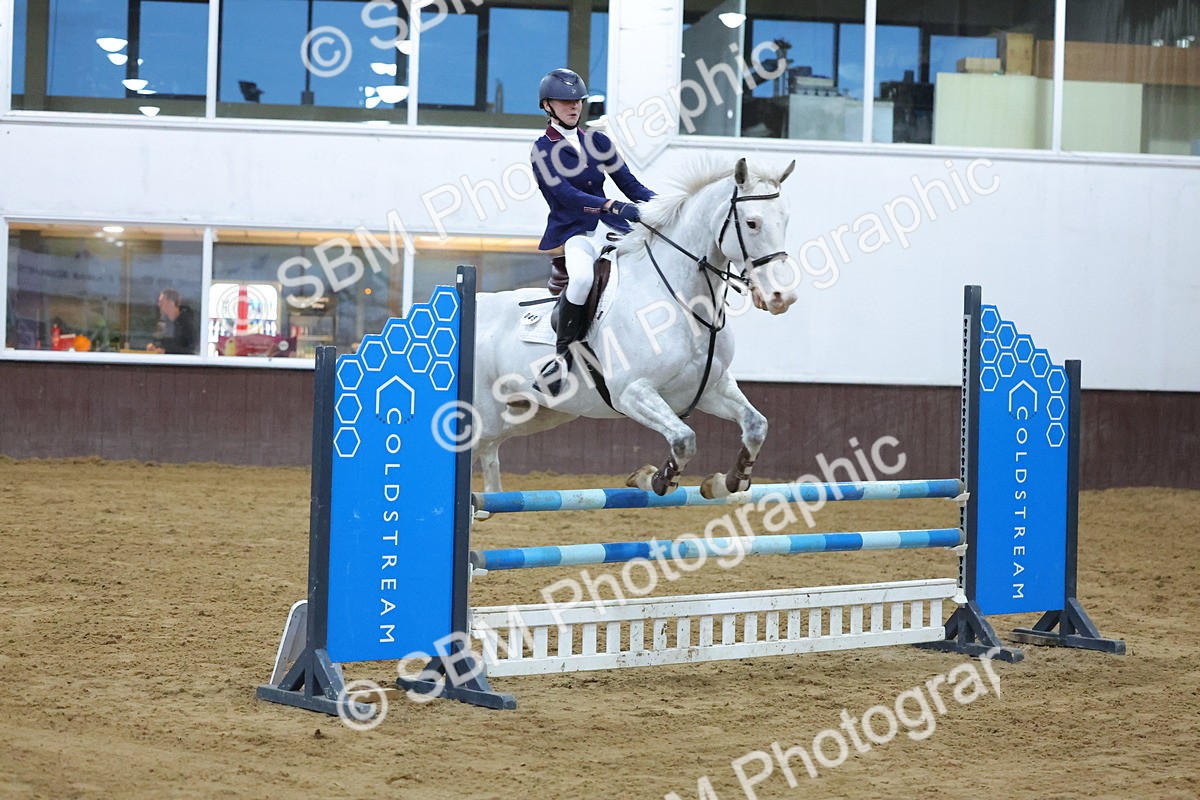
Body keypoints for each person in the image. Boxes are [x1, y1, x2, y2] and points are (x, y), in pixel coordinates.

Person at [531, 67, 655, 396]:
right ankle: (561, 358)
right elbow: (567, 198)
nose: (574, 107)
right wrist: (608, 205)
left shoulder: (598, 141)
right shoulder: (542, 150)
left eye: (578, 101)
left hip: (614, 231)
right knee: (584, 279)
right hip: (576, 232)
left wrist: (669, 207)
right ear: (547, 105)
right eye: (565, 101)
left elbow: (632, 186)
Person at [148, 289, 198, 355]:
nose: (159, 305)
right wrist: (153, 346)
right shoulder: (163, 322)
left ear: (171, 303)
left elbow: (192, 350)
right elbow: (158, 340)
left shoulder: (187, 324)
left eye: (161, 302)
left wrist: (167, 352)